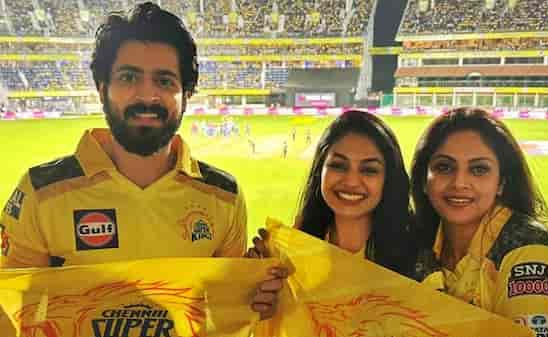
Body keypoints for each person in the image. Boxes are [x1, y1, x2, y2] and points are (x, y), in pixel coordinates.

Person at [0, 2, 283, 320]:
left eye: (165, 81)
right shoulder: (40, 193)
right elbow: (8, 308)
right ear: (102, 88)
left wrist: (259, 295)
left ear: (186, 94)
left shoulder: (224, 196)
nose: (146, 96)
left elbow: (224, 309)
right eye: (128, 77)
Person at [410, 107, 548, 337]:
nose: (459, 182)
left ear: (501, 183)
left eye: (479, 169)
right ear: (424, 181)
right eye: (444, 167)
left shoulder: (527, 248)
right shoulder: (416, 243)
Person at [248, 110, 417, 277]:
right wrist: (256, 288)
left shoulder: (418, 261)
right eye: (338, 165)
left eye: (369, 170)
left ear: (388, 179)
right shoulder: (286, 251)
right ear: (320, 170)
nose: (351, 181)